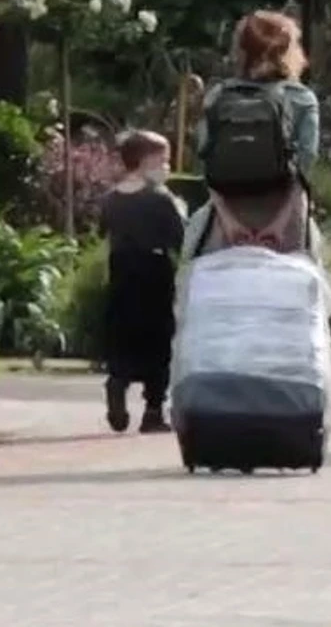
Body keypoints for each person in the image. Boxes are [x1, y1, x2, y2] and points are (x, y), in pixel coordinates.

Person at [191, 11, 321, 254]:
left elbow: (204, 161)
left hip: (227, 211)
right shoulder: (301, 98)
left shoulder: (218, 96)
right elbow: (306, 164)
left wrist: (230, 222)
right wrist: (279, 224)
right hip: (284, 213)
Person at [98, 129, 188, 434]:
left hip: (121, 271)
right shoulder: (161, 199)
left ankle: (118, 382)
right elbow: (181, 237)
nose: (167, 168)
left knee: (122, 335)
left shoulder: (110, 199)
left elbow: (104, 232)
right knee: (158, 338)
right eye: (163, 161)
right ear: (146, 161)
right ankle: (153, 410)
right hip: (154, 270)